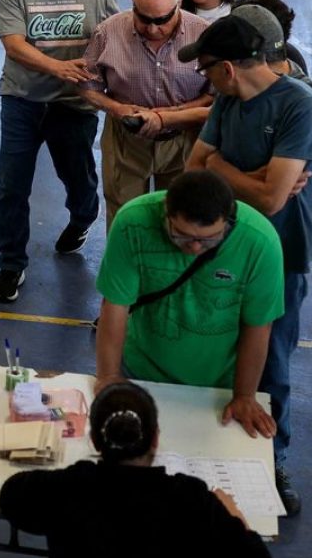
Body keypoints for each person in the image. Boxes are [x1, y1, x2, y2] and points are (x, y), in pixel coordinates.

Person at [184, 13, 312, 515]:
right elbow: (195, 172)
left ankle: (271, 460)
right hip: (225, 245)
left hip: (281, 252)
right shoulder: (227, 100)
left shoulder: (298, 104)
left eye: (206, 69)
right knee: (212, 345)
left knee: (273, 361)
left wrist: (223, 168)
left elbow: (273, 199)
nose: (204, 79)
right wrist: (246, 176)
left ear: (229, 68)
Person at [0, 381, 274, 558]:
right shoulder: (191, 501)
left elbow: (10, 496)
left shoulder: (69, 488)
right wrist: (235, 517)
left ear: (94, 440)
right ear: (155, 438)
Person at [0, 0, 119, 302]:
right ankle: (11, 264)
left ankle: (83, 217)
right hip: (23, 98)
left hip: (74, 102)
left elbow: (113, 34)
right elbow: (14, 45)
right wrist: (58, 67)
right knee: (11, 185)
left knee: (78, 177)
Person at [95, 171, 282, 434]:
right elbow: (115, 305)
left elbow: (258, 325)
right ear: (166, 213)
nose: (194, 247)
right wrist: (109, 376)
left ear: (228, 220)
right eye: (181, 236)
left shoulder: (260, 243)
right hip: (140, 371)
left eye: (209, 239)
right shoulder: (132, 223)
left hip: (217, 386)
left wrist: (244, 396)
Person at [79, 0, 212, 227]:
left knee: (181, 217)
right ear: (133, 3)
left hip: (185, 140)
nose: (152, 29)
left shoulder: (203, 34)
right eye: (143, 18)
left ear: (178, 5)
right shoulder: (108, 32)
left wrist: (171, 115)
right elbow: (87, 86)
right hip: (125, 139)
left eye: (161, 20)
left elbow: (214, 93)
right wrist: (116, 108)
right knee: (123, 218)